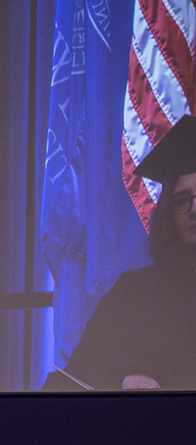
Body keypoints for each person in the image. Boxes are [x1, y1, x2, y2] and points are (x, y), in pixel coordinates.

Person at [44, 115, 196, 390]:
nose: (194, 210)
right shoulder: (133, 294)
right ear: (168, 214)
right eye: (182, 200)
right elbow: (69, 383)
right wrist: (122, 380)